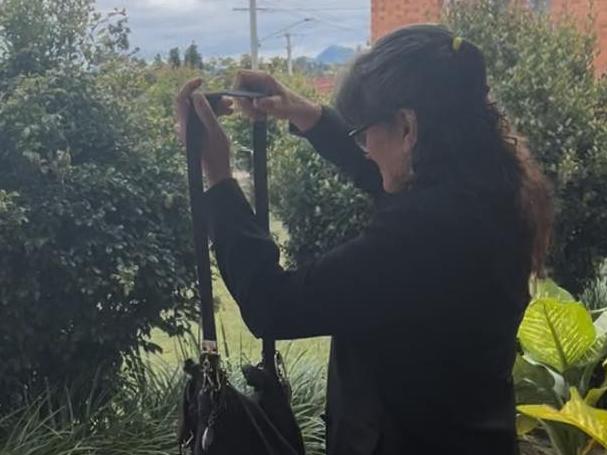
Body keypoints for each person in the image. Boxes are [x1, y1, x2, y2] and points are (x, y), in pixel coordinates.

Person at [175, 24, 553, 455]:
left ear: (408, 128)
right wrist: (303, 112)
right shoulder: (493, 192)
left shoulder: (417, 236)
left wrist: (219, 178)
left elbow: (273, 305)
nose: (366, 149)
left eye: (365, 132)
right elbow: (382, 174)